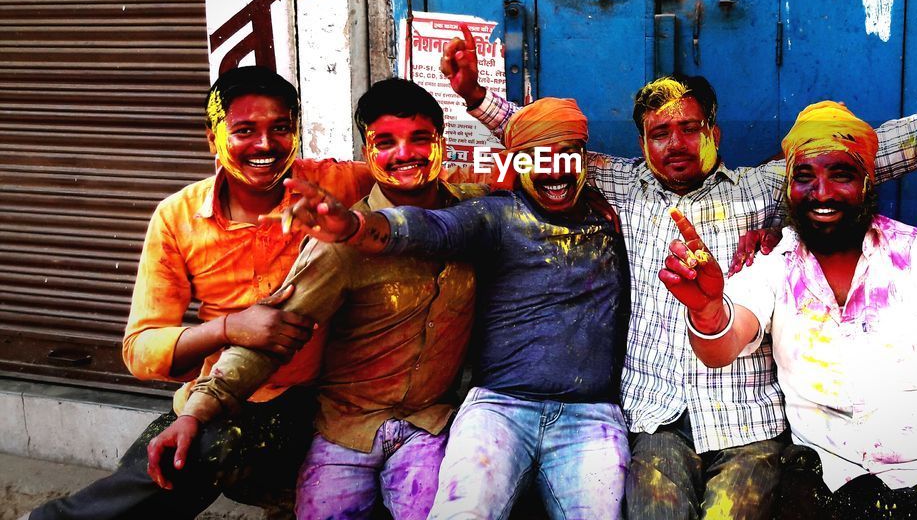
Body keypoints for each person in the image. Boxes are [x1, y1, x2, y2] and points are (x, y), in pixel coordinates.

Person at [436, 8, 917, 519]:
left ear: (714, 131)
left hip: (748, 421)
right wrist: (474, 99)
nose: (675, 144)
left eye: (690, 128)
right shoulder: (623, 185)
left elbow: (885, 146)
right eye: (659, 132)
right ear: (642, 143)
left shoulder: (763, 188)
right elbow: (548, 145)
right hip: (654, 417)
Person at [29, 66, 375, 520]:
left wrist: (479, 107)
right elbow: (141, 349)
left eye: (281, 129)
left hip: (322, 401)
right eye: (244, 131)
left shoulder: (330, 185)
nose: (265, 146)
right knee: (168, 465)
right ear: (213, 139)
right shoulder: (177, 217)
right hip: (224, 400)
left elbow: (415, 175)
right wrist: (232, 327)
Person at [144, 78, 487, 519]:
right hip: (344, 430)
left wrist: (480, 101)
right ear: (366, 153)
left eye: (420, 140)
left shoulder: (479, 214)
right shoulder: (338, 241)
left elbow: (540, 161)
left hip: (431, 426)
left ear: (441, 144)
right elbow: (275, 330)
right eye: (385, 143)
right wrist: (195, 414)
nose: (404, 155)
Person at [656, 100, 917, 519]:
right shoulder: (777, 263)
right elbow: (721, 346)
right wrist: (707, 311)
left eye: (841, 175)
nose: (821, 193)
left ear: (868, 181)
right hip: (822, 487)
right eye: (804, 177)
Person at [280, 97, 631, 520]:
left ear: (586, 160)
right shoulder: (493, 215)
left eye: (567, 157)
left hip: (590, 416)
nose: (553, 170)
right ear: (518, 165)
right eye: (539, 158)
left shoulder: (616, 217)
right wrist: (358, 226)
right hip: (499, 410)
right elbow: (432, 227)